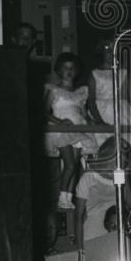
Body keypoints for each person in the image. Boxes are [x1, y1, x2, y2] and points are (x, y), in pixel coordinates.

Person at [44, 52, 98, 211]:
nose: (69, 71)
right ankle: (61, 196)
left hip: (77, 129)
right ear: (59, 71)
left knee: (74, 165)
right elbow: (44, 112)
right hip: (61, 131)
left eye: (72, 68)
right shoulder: (54, 90)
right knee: (69, 165)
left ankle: (68, 197)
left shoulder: (80, 92)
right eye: (66, 68)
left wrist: (89, 121)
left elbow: (82, 111)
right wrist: (60, 122)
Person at [73, 136, 130, 246]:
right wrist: (80, 247)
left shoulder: (120, 178)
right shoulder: (89, 177)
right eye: (114, 162)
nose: (117, 166)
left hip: (115, 233)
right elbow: (78, 216)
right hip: (91, 232)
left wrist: (125, 179)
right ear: (106, 157)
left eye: (121, 163)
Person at [87, 38, 131, 130]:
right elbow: (91, 100)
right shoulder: (95, 73)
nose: (111, 52)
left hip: (123, 112)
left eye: (114, 49)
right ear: (102, 53)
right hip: (102, 112)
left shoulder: (124, 73)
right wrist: (99, 121)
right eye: (107, 49)